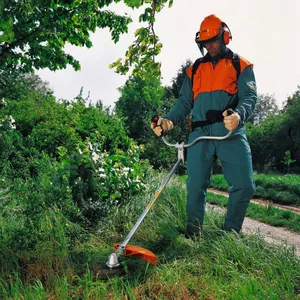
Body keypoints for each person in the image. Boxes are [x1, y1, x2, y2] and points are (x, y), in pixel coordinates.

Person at [151, 14, 257, 237]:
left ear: (225, 36)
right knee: (195, 186)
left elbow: (249, 98)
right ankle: (193, 234)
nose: (210, 46)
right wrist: (168, 120)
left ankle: (230, 235)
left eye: (214, 40)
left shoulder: (241, 65)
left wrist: (239, 115)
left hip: (229, 130)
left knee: (245, 185)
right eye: (206, 43)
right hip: (199, 134)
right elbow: (184, 102)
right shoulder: (195, 70)